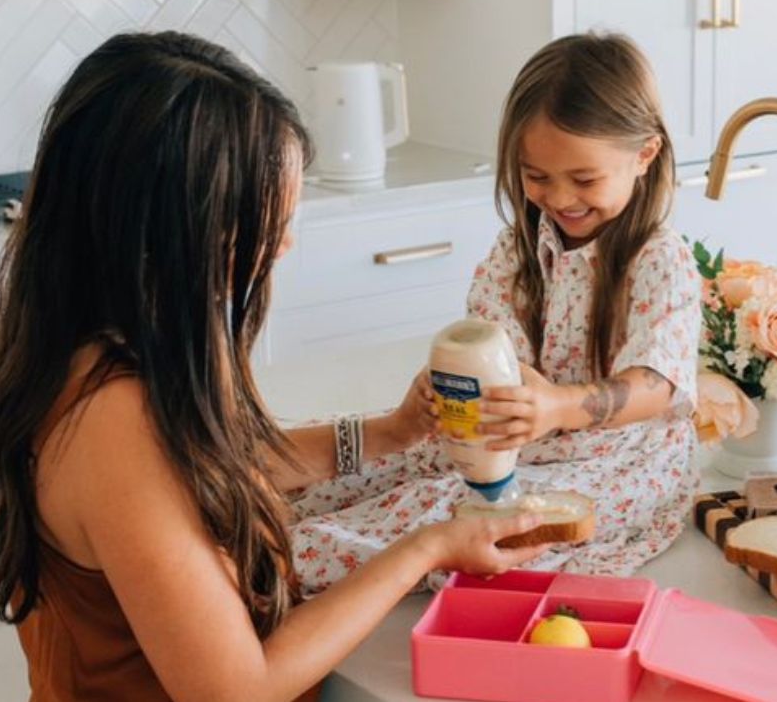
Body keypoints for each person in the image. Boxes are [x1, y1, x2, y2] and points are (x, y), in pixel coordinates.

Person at [0, 31, 549, 702]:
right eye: (264, 216)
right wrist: (430, 546)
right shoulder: (112, 419)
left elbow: (222, 471)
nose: (285, 240)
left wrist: (391, 432)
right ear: (178, 224)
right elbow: (236, 689)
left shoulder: (115, 340)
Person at [291, 33, 702, 594]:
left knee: (435, 509)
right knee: (379, 469)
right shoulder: (518, 249)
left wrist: (558, 405)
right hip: (517, 440)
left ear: (645, 156)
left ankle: (268, 569)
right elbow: (487, 345)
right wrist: (449, 390)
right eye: (537, 177)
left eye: (584, 179)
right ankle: (248, 533)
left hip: (615, 463)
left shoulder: (659, 259)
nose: (560, 198)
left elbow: (657, 384)